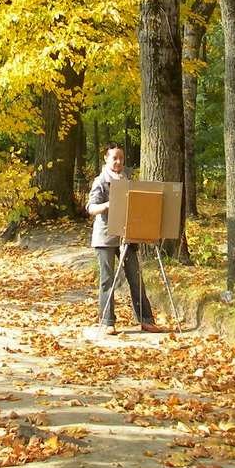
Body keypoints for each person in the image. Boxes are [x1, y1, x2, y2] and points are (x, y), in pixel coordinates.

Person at [87, 143, 167, 335]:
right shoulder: (100, 181)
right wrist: (108, 204)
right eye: (114, 158)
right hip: (105, 237)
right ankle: (107, 321)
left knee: (135, 277)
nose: (118, 162)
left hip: (128, 236)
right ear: (106, 158)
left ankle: (146, 320)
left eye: (121, 158)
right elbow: (91, 208)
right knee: (107, 280)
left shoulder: (128, 180)